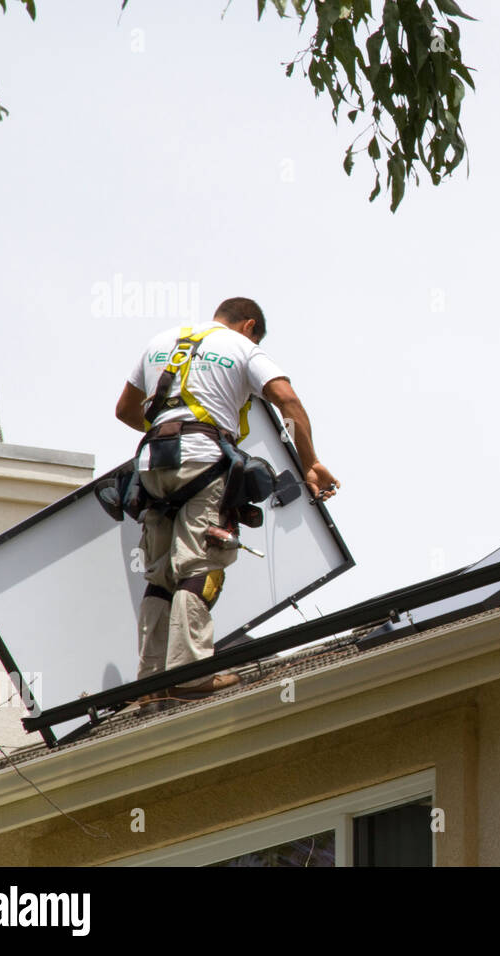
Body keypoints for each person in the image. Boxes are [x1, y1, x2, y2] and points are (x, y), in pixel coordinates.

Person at [114, 297, 339, 704]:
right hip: (203, 462)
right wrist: (311, 463)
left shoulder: (161, 341)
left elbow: (125, 410)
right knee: (199, 566)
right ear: (248, 325)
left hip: (151, 465)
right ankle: (188, 675)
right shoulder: (242, 347)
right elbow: (287, 400)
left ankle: (149, 684)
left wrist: (170, 425)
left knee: (160, 576)